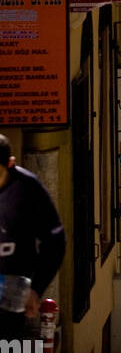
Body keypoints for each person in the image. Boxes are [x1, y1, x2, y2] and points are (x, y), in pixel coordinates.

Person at [0, 134, 66, 338]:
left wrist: (36, 289)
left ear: (10, 164)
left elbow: (55, 240)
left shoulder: (27, 189)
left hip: (10, 294)